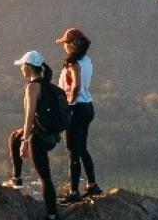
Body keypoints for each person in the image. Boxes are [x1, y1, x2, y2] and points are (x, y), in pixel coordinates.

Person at [5, 50, 69, 219]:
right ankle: (16, 180)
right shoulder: (49, 86)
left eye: (22, 66)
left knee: (44, 177)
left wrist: (25, 141)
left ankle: (52, 215)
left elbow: (30, 115)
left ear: (28, 67)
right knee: (14, 137)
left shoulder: (33, 87)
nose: (20, 70)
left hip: (38, 139)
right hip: (51, 136)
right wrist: (23, 134)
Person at [57, 28, 102, 201]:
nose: (64, 47)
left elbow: (76, 85)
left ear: (73, 44)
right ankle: (92, 185)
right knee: (82, 147)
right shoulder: (87, 60)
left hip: (76, 109)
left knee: (72, 151)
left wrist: (70, 104)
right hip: (87, 106)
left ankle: (74, 192)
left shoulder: (73, 62)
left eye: (66, 43)